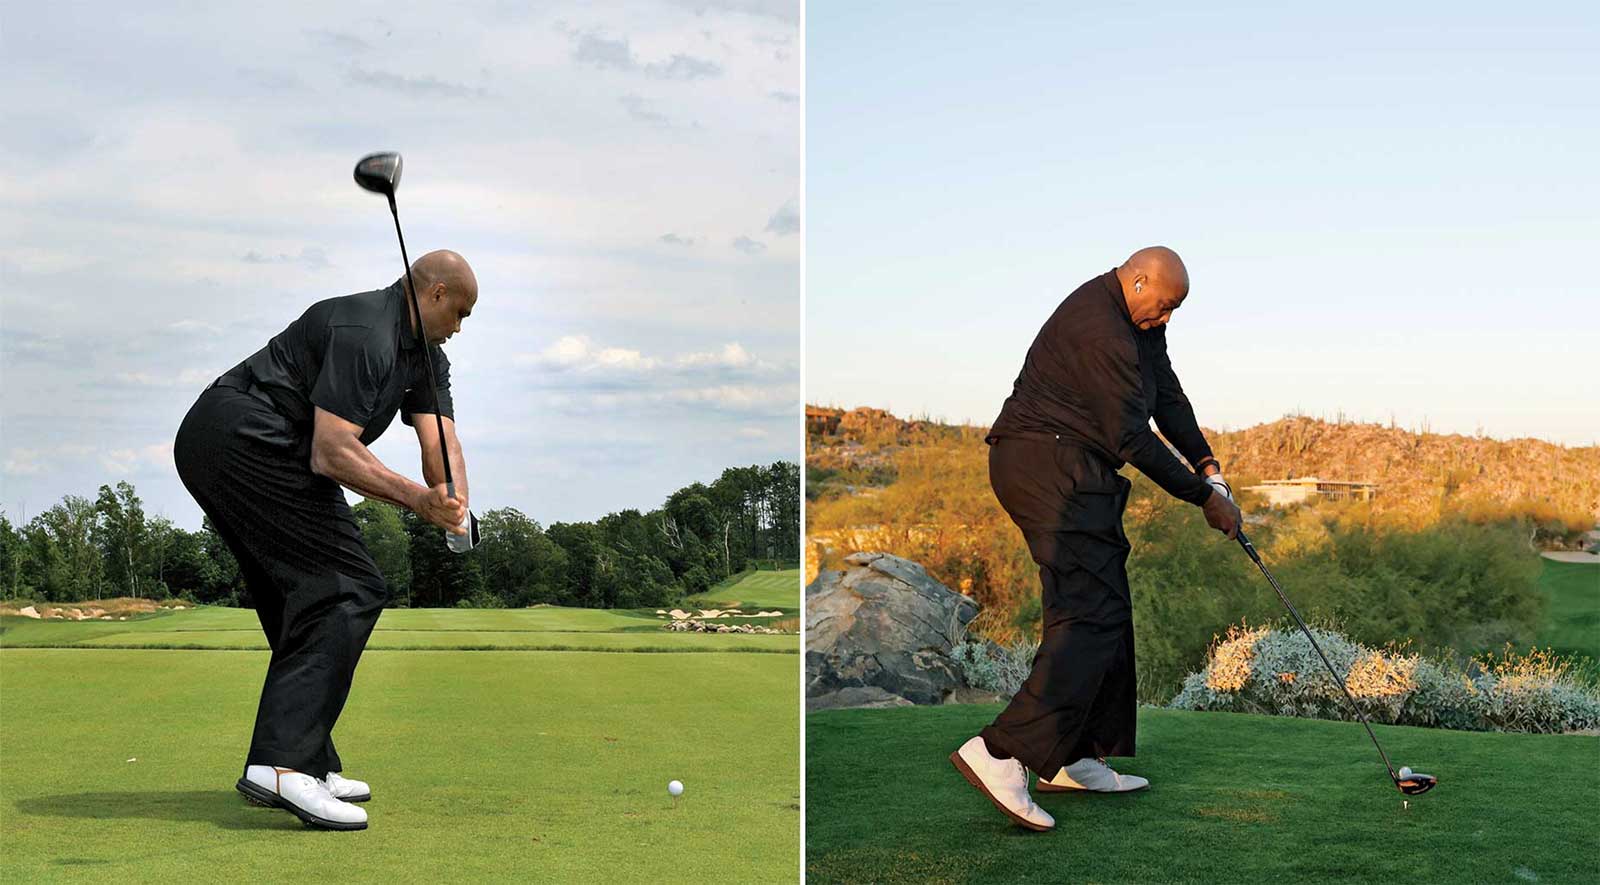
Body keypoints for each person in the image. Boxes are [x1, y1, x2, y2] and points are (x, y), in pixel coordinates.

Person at [173, 250, 479, 831]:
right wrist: (418, 499)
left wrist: (456, 508)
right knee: (348, 588)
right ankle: (283, 765)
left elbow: (441, 438)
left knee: (304, 598)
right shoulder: (366, 332)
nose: (460, 329)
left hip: (264, 448)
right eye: (460, 313)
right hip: (240, 435)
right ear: (436, 293)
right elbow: (332, 451)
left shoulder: (426, 360)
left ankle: (306, 759)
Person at [949, 246, 1241, 831]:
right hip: (1046, 467)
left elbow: (1166, 395)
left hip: (1076, 468)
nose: (1165, 320)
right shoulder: (1098, 330)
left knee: (1107, 608)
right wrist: (1201, 498)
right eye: (1163, 307)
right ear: (1137, 281)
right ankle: (1002, 751)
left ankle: (1073, 755)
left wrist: (1209, 466)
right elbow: (1133, 437)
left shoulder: (1137, 323)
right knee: (1088, 615)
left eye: (1173, 312)